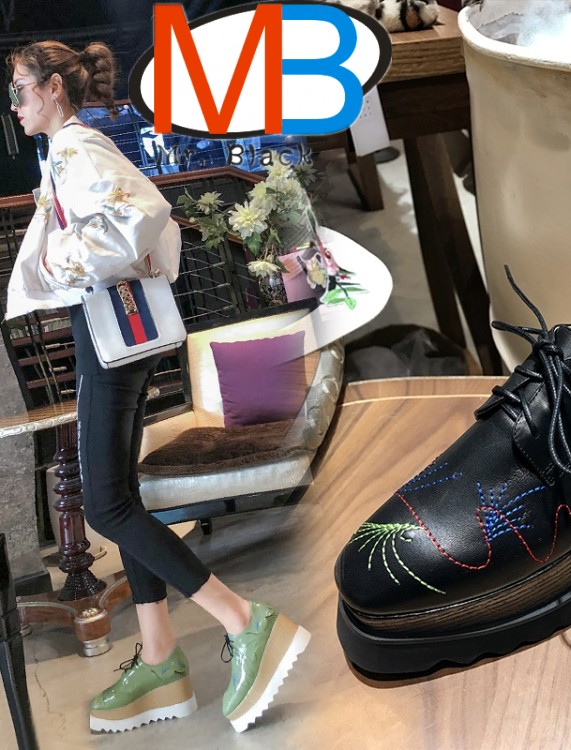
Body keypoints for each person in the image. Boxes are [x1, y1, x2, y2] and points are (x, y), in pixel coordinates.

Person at [5, 40, 310, 734]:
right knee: (122, 496)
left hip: (108, 338)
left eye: (20, 91)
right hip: (119, 334)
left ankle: (243, 620)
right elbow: (145, 229)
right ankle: (160, 655)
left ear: (53, 89)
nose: (15, 106)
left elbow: (145, 214)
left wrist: (59, 264)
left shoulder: (76, 149)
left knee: (105, 505)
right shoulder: (70, 152)